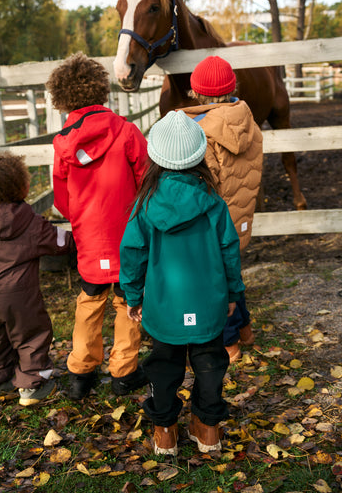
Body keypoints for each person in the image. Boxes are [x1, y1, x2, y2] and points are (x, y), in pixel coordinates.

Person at [119, 110, 244, 456]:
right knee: (210, 365)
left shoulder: (144, 205)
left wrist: (132, 295)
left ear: (155, 158)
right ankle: (207, 431)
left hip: (163, 306)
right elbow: (229, 251)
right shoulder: (213, 204)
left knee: (163, 367)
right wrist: (234, 293)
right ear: (199, 156)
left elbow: (132, 252)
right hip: (206, 305)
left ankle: (165, 433)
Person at [46, 52, 148, 400]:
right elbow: (146, 181)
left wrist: (83, 218)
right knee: (127, 300)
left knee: (90, 299)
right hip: (127, 234)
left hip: (89, 236)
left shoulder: (64, 143)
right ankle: (123, 371)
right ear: (100, 88)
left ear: (61, 96)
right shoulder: (127, 132)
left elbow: (62, 199)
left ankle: (81, 372)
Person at [0, 152, 74, 406]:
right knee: (31, 336)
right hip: (20, 295)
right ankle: (33, 386)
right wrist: (75, 238)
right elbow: (61, 242)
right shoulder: (31, 223)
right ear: (20, 186)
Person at [182, 55, 263, 363]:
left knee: (214, 285)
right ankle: (246, 330)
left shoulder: (200, 130)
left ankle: (229, 345)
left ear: (196, 90)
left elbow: (206, 181)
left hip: (212, 224)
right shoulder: (247, 121)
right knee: (232, 276)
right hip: (239, 218)